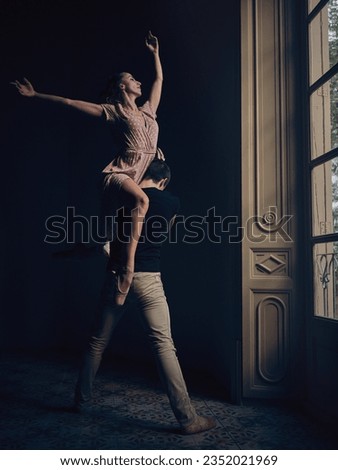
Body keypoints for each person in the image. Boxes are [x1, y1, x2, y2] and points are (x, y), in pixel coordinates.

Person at [11, 31, 163, 306]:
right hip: (117, 175)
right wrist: (35, 95)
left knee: (107, 237)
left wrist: (155, 54)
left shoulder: (148, 111)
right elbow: (70, 103)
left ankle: (83, 250)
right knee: (143, 200)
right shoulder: (114, 111)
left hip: (137, 176)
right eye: (131, 78)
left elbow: (159, 79)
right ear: (120, 87)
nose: (137, 81)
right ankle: (127, 272)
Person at [74, 160, 216, 435]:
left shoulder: (122, 195)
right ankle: (188, 419)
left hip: (116, 276)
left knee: (97, 342)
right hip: (149, 279)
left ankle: (80, 401)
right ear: (163, 180)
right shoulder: (171, 201)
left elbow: (112, 235)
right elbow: (160, 234)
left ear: (144, 174)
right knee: (163, 345)